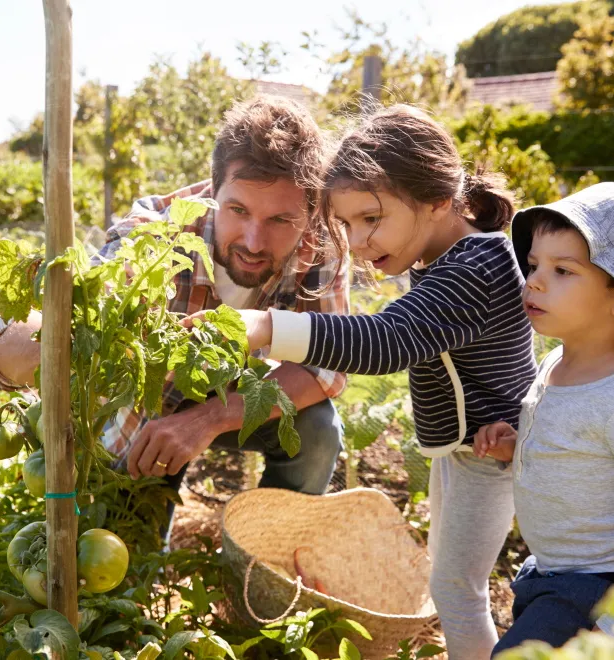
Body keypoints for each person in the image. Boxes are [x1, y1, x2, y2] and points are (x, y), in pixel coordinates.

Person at [202, 105, 539, 659]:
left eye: (371, 219)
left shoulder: (475, 267)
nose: (357, 242)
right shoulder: (450, 256)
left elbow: (387, 340)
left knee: (459, 591)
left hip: (491, 456)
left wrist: (264, 327)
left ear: (436, 199)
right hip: (468, 452)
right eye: (348, 224)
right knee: (457, 583)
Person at [0, 96, 349, 520]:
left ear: (309, 212)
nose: (253, 241)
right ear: (214, 190)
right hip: (150, 407)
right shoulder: (157, 235)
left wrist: (207, 420)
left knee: (317, 430)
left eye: (280, 221)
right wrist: (43, 343)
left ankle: (268, 557)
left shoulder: (322, 244)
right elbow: (39, 329)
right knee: (129, 548)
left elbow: (325, 367)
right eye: (238, 210)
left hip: (238, 395)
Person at [473, 183, 614, 653]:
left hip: (596, 589)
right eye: (534, 265)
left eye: (562, 270)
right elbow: (575, 449)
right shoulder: (555, 365)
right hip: (547, 574)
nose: (536, 281)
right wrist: (516, 444)